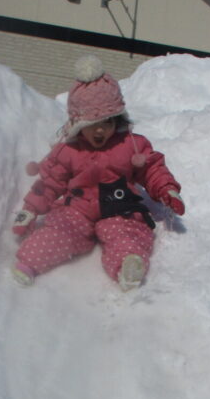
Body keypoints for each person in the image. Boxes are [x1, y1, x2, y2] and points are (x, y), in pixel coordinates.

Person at [10, 55, 184, 291]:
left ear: (117, 119)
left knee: (128, 232)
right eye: (93, 124)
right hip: (78, 208)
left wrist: (166, 190)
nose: (101, 130)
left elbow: (152, 168)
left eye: (107, 122)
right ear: (79, 125)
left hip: (119, 206)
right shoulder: (68, 150)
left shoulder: (130, 145)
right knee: (58, 231)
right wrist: (31, 210)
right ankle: (29, 263)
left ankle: (127, 265)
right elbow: (50, 183)